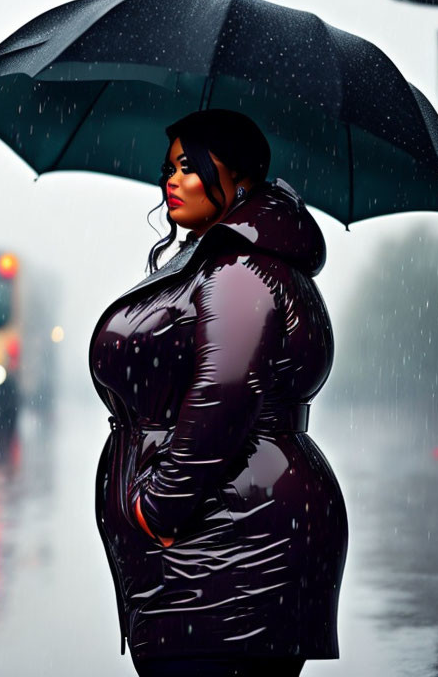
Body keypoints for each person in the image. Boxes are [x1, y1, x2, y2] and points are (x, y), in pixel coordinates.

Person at [89, 109, 348, 677]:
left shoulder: (240, 273)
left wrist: (156, 508)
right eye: (168, 168)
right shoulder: (228, 262)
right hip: (221, 533)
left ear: (242, 179)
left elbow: (224, 396)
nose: (171, 181)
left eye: (190, 167)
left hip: (227, 536)